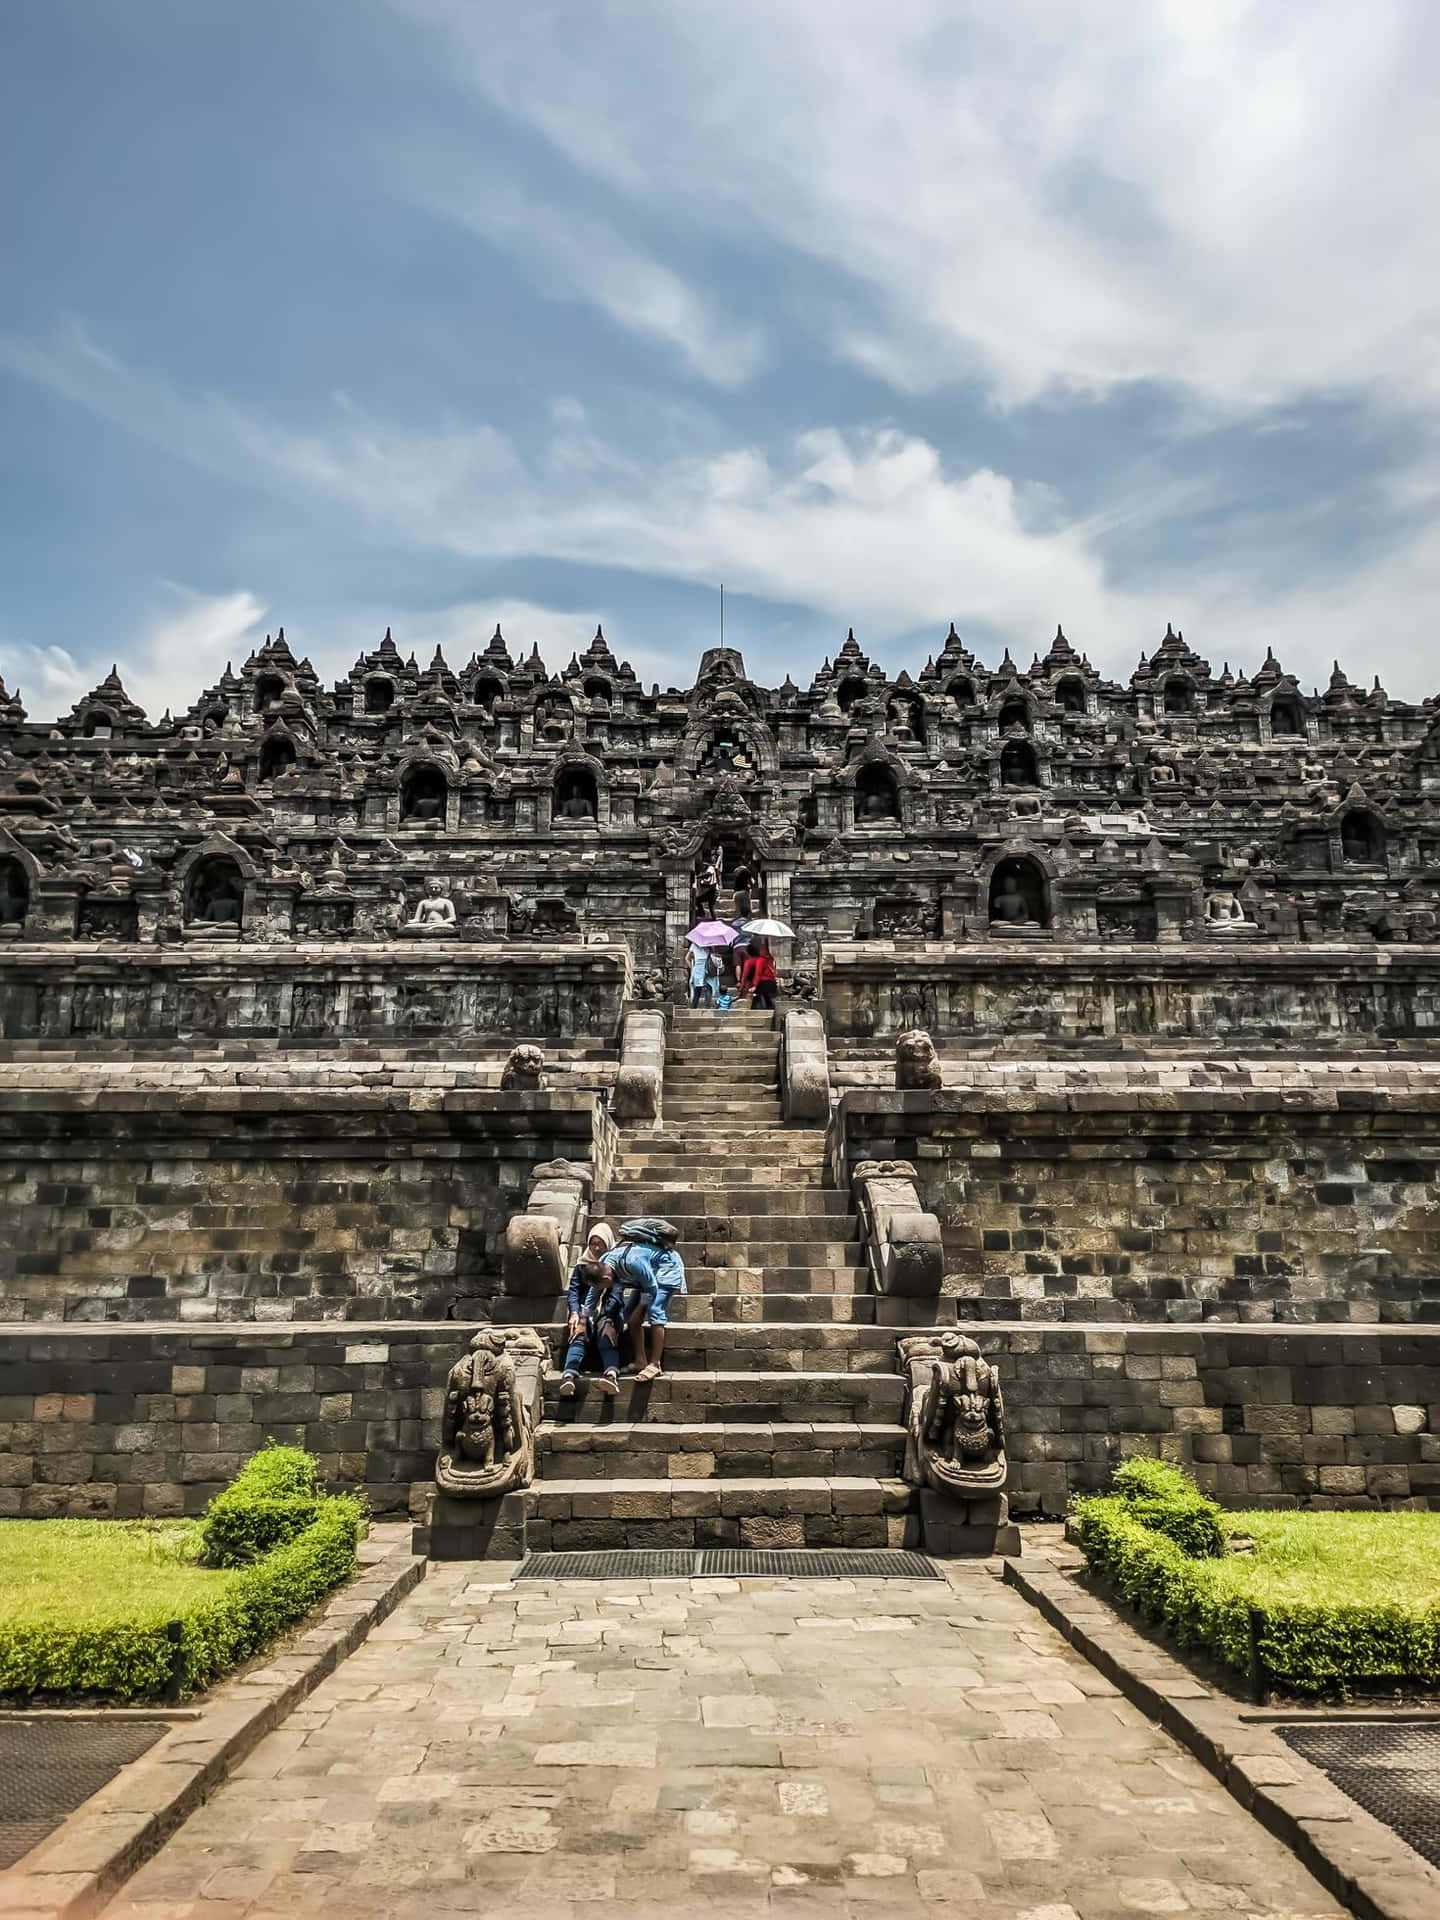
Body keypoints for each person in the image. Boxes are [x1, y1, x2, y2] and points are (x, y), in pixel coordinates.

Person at [602, 1219, 687, 1382]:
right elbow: (594, 1290)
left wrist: (642, 1306)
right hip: (650, 1274)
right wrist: (583, 1316)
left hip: (667, 1269)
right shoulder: (604, 1262)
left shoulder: (632, 1261)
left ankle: (655, 1364)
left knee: (655, 1310)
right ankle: (641, 1361)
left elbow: (652, 1288)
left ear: (606, 1276)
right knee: (633, 1320)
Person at [559, 1222, 621, 1397]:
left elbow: (616, 1294)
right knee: (578, 1333)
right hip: (584, 1310)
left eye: (600, 1243)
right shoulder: (582, 1265)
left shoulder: (614, 1265)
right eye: (593, 1243)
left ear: (608, 1243)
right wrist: (574, 1312)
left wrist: (608, 1318)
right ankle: (569, 1375)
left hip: (609, 1311)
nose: (596, 1247)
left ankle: (611, 1375)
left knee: (605, 1333)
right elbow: (574, 1291)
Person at [740, 939, 778, 1010]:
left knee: (759, 1000)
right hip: (769, 983)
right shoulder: (766, 959)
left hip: (762, 984)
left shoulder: (752, 961)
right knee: (768, 1001)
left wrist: (746, 987)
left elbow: (754, 974)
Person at [687, 940, 714, 1008]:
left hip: (698, 967)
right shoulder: (709, 944)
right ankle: (707, 1007)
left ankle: (694, 1006)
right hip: (707, 967)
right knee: (708, 987)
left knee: (697, 988)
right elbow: (712, 956)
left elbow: (687, 958)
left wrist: (692, 968)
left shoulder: (694, 944)